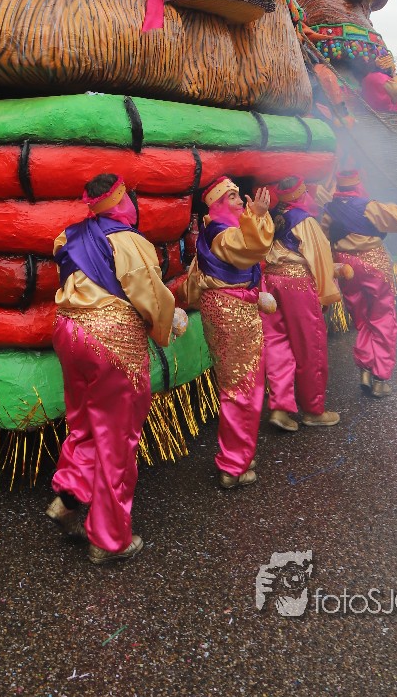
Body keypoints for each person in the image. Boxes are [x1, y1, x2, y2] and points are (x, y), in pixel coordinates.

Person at [47, 173, 182, 565]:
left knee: (84, 421)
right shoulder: (131, 243)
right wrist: (168, 323)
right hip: (111, 341)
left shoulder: (68, 235)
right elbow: (153, 299)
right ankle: (109, 538)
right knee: (118, 437)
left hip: (68, 331)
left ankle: (68, 497)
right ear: (123, 201)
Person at [184, 176, 274, 489]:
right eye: (233, 197)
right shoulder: (222, 233)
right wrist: (257, 216)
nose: (239, 201)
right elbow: (251, 247)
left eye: (238, 196)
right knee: (243, 385)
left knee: (239, 383)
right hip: (232, 311)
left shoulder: (216, 230)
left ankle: (239, 453)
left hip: (227, 307)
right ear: (219, 204)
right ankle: (233, 464)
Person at [323, 170, 397, 397]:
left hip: (346, 268)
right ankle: (380, 378)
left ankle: (365, 369)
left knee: (362, 319)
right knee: (382, 318)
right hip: (373, 265)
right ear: (358, 185)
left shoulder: (329, 210)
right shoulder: (370, 207)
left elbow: (323, 238)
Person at [262, 176, 344, 432]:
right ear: (301, 193)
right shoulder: (304, 220)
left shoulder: (273, 216)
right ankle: (313, 410)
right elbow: (320, 258)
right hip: (297, 284)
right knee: (310, 345)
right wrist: (324, 294)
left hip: (270, 280)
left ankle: (280, 407)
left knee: (277, 344)